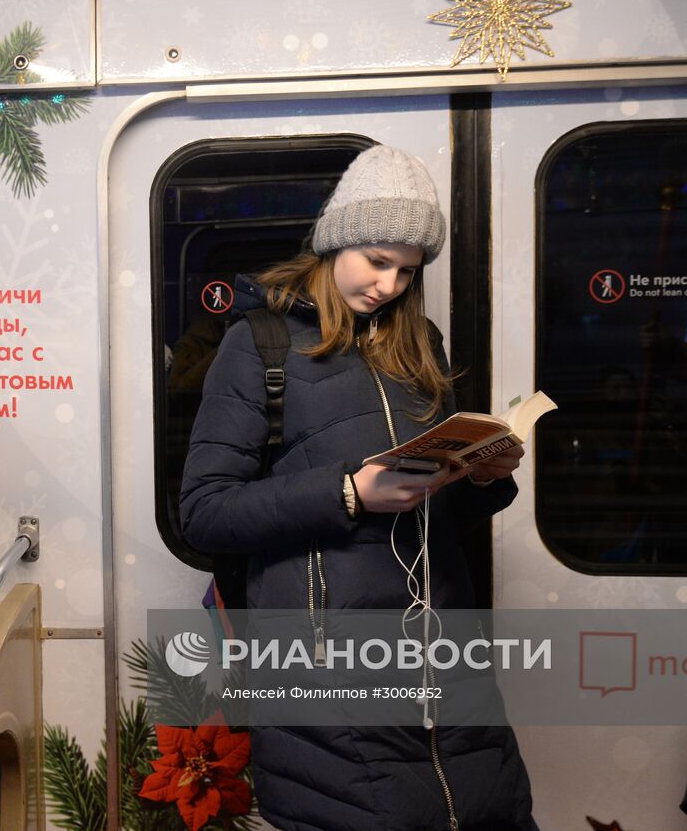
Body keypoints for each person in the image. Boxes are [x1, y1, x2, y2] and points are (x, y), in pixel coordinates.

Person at [179, 144, 537, 830]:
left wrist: (481, 476)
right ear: (335, 242)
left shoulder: (419, 343)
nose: (389, 285)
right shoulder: (260, 345)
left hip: (444, 659)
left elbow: (433, 498)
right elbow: (205, 511)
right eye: (377, 261)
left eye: (407, 270)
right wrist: (348, 493)